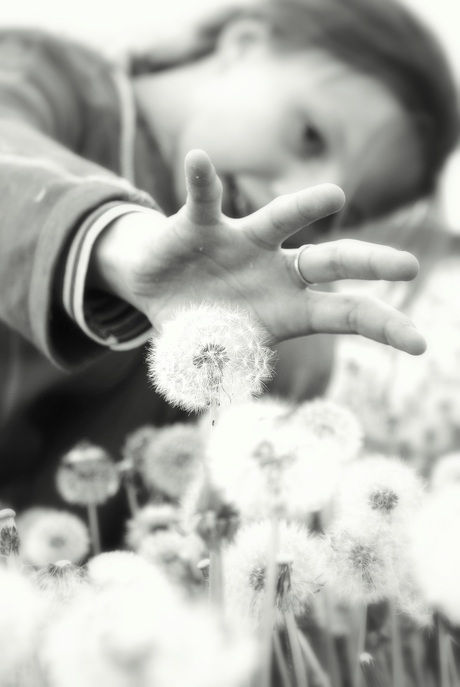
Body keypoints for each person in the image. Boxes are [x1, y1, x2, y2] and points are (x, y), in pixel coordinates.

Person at [0, 0, 457, 546]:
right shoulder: (42, 74)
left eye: (334, 215)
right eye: (310, 135)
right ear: (244, 44)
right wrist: (116, 238)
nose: (293, 193)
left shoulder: (242, 303)